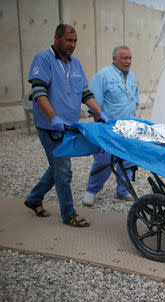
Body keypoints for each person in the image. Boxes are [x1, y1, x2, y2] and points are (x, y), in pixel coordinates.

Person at [24, 24, 109, 227]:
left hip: (69, 128)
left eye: (75, 41)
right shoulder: (43, 59)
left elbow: (85, 94)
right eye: (68, 40)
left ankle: (34, 198)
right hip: (49, 127)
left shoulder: (76, 63)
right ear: (56, 38)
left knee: (56, 168)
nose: (72, 45)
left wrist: (99, 112)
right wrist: (53, 117)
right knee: (63, 170)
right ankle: (68, 214)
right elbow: (38, 93)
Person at [83, 45, 140, 206]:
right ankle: (91, 191)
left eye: (130, 58)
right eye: (124, 58)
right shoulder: (103, 76)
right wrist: (100, 131)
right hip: (108, 129)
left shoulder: (133, 77)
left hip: (128, 128)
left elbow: (135, 99)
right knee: (103, 161)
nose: (128, 61)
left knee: (127, 161)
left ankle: (123, 191)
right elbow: (95, 105)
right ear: (114, 59)